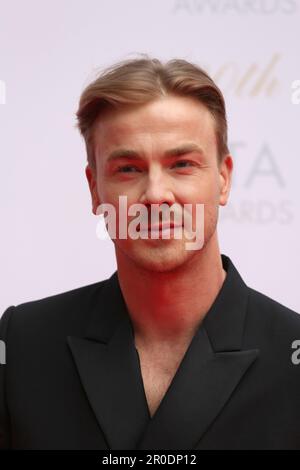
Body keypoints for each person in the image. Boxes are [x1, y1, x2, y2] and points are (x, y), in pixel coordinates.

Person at [1, 55, 300, 450]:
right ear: (95, 189)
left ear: (224, 179)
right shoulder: (23, 345)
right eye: (128, 169)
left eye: (181, 164)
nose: (156, 195)